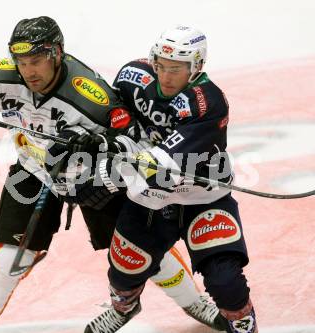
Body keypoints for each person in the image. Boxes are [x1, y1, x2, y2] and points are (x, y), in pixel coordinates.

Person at [0, 17, 223, 333]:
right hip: (34, 173)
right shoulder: (6, 74)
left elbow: (131, 139)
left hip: (93, 177)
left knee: (137, 249)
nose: (29, 71)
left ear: (57, 54)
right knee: (8, 261)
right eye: (21, 62)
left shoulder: (92, 96)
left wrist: (99, 143)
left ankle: (195, 303)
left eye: (36, 61)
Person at [79, 25, 258, 333]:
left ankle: (242, 325)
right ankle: (124, 308)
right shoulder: (132, 77)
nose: (165, 75)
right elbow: (107, 113)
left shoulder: (207, 101)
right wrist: (91, 138)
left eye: (176, 69)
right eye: (161, 65)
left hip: (202, 198)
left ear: (196, 67)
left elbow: (160, 165)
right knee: (123, 271)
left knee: (226, 282)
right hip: (149, 201)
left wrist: (108, 174)